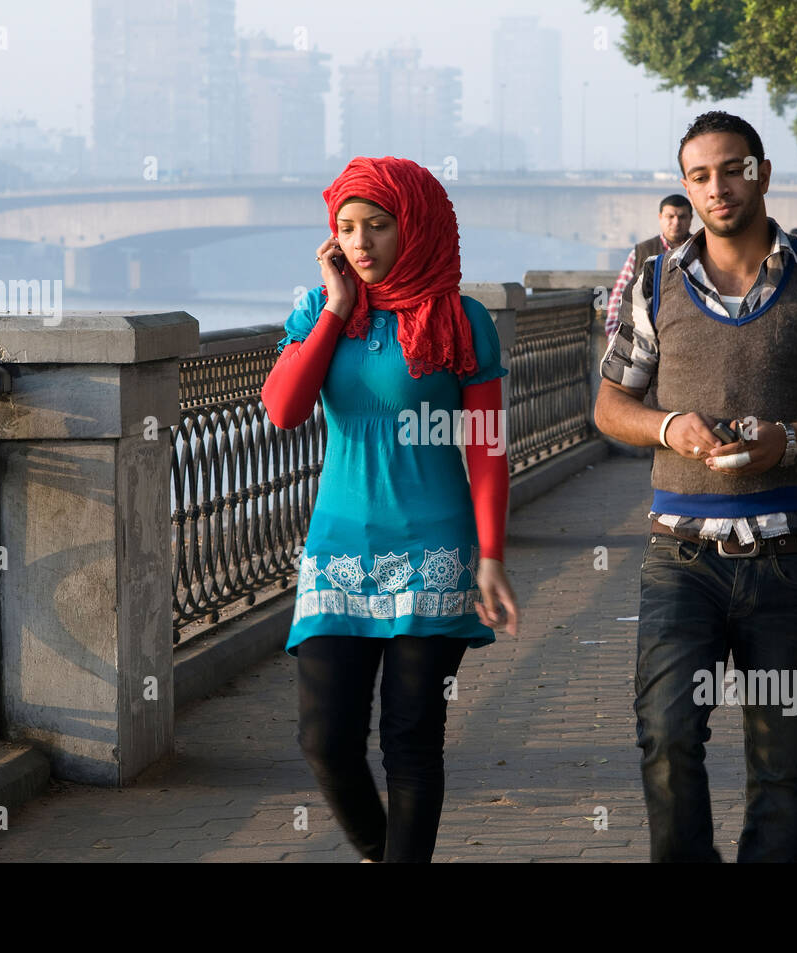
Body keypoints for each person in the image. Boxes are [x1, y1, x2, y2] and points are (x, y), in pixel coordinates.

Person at [594, 111, 797, 862]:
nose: (717, 188)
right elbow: (610, 405)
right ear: (684, 187)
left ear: (763, 173)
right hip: (681, 559)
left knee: (778, 758)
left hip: (787, 559)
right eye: (699, 176)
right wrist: (672, 427)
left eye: (732, 169)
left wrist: (792, 438)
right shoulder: (652, 280)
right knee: (667, 735)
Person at [259, 155, 520, 862]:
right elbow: (284, 410)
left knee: (411, 738)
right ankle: (385, 850)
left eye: (378, 225)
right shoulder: (319, 312)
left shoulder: (461, 321)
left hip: (435, 551)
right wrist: (337, 309)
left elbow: (488, 450)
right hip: (338, 549)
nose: (361, 242)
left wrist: (491, 556)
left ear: (416, 226)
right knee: (325, 740)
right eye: (346, 227)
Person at [605, 194, 694, 338]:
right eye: (670, 216)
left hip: (691, 336)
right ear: (660, 217)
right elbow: (619, 299)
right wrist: (616, 340)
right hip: (646, 339)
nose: (676, 222)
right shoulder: (641, 252)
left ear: (691, 218)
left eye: (682, 217)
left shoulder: (703, 250)